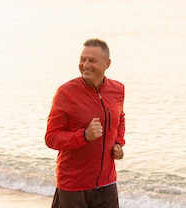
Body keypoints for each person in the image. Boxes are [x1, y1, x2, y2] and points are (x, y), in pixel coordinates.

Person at [45, 38, 126, 208]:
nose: (86, 65)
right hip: (73, 186)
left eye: (92, 60)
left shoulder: (118, 89)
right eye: (83, 59)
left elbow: (120, 119)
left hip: (106, 184)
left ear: (107, 63)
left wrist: (118, 143)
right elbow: (51, 138)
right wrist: (84, 135)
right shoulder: (66, 93)